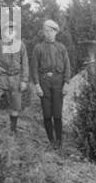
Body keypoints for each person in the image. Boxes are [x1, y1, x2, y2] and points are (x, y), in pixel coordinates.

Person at [30, 18, 72, 148]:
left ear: (55, 32)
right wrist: (37, 85)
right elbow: (34, 68)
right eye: (46, 31)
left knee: (58, 113)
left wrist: (66, 83)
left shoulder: (61, 48)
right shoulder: (38, 48)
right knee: (47, 113)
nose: (48, 33)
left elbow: (67, 66)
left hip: (58, 82)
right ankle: (51, 141)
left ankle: (59, 142)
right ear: (43, 32)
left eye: (51, 31)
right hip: (44, 82)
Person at [0, 20, 28, 134]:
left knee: (15, 104)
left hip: (16, 77)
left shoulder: (21, 45)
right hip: (1, 77)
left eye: (13, 29)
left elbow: (25, 63)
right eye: (8, 29)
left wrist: (24, 80)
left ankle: (13, 129)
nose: (10, 31)